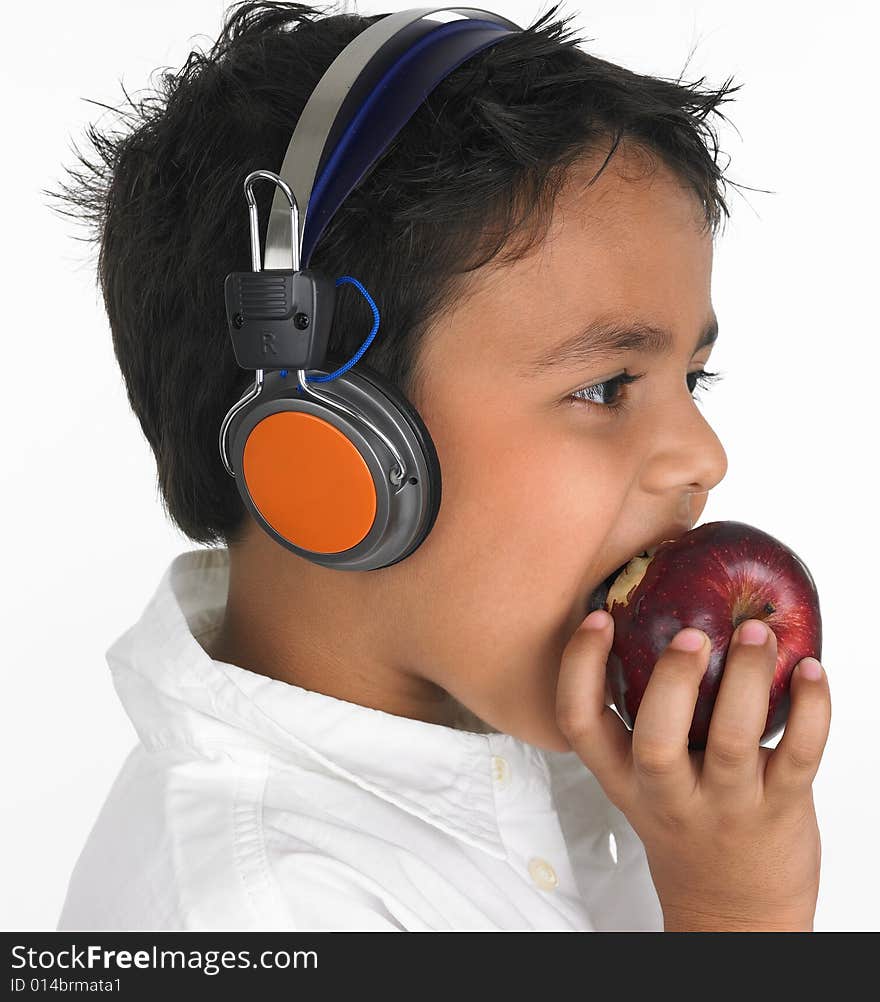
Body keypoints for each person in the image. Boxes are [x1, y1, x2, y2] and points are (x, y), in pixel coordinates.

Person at [49, 1, 831, 931]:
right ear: (332, 451)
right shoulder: (261, 915)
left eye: (694, 378)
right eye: (607, 385)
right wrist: (736, 916)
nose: (707, 455)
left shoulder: (523, 729)